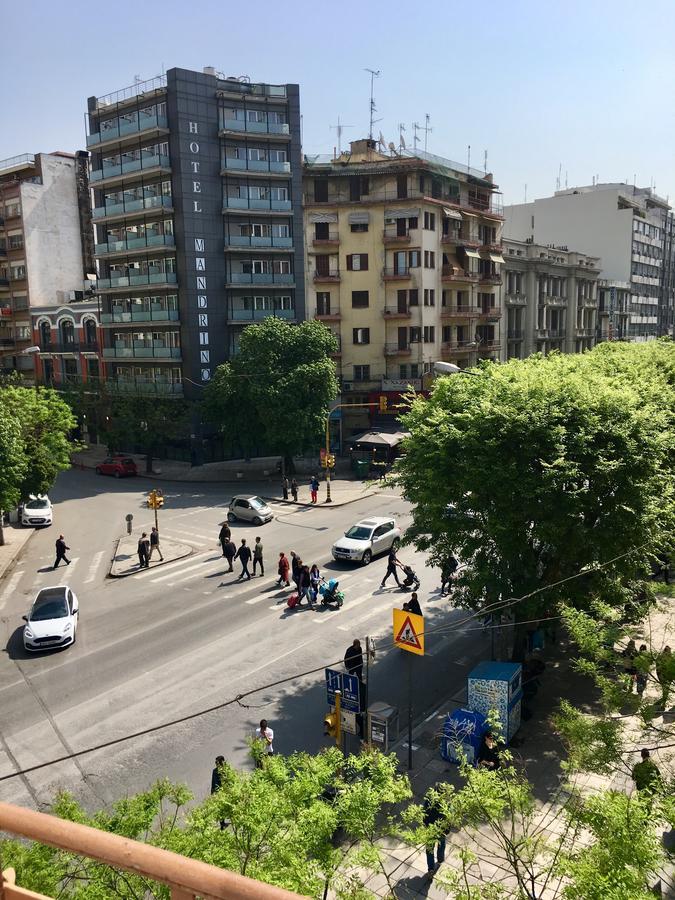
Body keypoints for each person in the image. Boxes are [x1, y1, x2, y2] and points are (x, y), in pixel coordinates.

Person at [422, 788, 447, 877]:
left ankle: (431, 869)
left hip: (430, 829)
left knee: (430, 849)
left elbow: (423, 812)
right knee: (442, 844)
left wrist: (425, 824)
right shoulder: (446, 802)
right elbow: (449, 816)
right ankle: (440, 859)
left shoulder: (428, 801)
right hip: (441, 830)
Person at [211, 755, 228, 829]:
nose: (215, 763)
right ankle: (222, 824)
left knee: (221, 808)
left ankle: (222, 824)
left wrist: (213, 792)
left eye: (216, 762)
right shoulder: (225, 770)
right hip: (222, 792)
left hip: (219, 792)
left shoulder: (216, 771)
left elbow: (213, 783)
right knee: (223, 807)